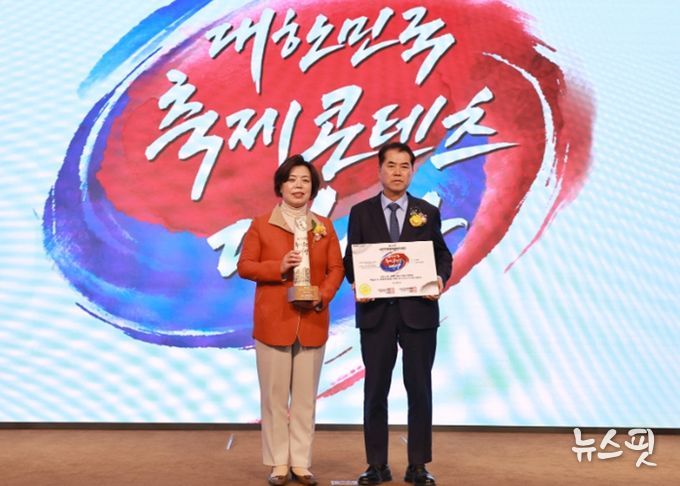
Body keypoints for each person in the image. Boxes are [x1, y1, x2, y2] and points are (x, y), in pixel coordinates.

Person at [343, 142, 452, 486]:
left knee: (419, 390)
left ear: (412, 172)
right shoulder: (361, 212)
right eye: (391, 165)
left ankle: (417, 465)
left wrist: (439, 277)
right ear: (379, 170)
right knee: (375, 391)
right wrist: (359, 280)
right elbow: (351, 259)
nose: (397, 172)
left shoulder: (427, 211)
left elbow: (442, 255)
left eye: (405, 166)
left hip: (419, 313)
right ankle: (377, 465)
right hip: (376, 314)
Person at [237, 154, 344, 486]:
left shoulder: (323, 226)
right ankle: (278, 464)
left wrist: (322, 295)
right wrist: (279, 267)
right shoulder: (261, 224)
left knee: (305, 398)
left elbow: (336, 269)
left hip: (312, 320)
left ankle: (301, 462)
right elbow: (245, 266)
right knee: (273, 398)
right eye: (292, 180)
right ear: (280, 186)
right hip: (273, 322)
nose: (299, 186)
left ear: (313, 188)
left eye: (305, 181)